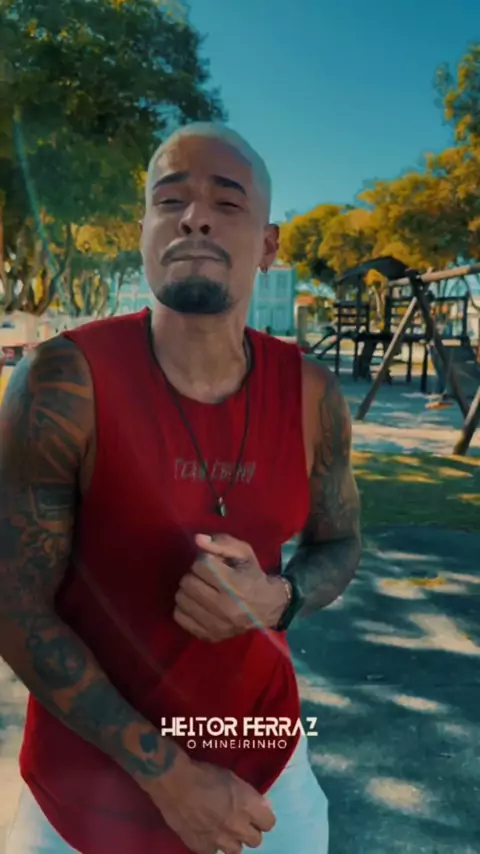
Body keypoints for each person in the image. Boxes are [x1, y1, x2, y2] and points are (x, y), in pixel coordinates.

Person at [0, 123, 361, 854]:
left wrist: (278, 598)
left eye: (227, 202)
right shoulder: (62, 382)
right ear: (143, 230)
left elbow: (341, 542)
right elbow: (12, 603)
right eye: (170, 201)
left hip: (268, 768)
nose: (194, 216)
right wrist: (170, 778)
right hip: (82, 799)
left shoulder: (312, 395)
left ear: (268, 244)